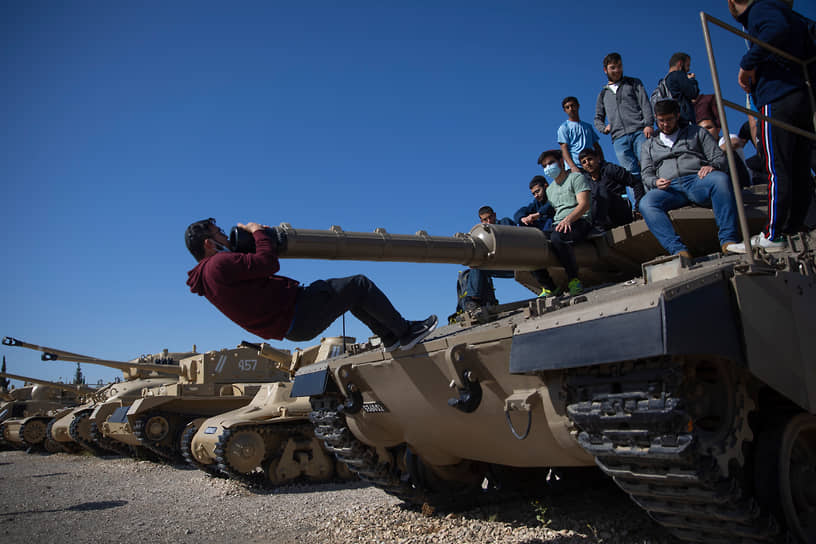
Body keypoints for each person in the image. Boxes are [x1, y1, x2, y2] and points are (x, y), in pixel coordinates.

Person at [184, 218, 437, 352]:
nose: (226, 237)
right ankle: (405, 332)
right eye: (219, 234)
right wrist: (258, 231)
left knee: (349, 294)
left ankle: (389, 336)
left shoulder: (206, 277)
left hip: (292, 321)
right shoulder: (218, 264)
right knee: (359, 284)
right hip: (297, 312)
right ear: (208, 243)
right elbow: (267, 263)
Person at [725, 0, 814, 253]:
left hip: (776, 96)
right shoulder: (790, 13)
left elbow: (775, 28)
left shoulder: (761, 10)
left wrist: (747, 64)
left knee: (777, 168)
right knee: (798, 169)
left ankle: (773, 234)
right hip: (800, 96)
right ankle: (791, 229)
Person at [639, 100, 740, 258]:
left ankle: (728, 241)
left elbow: (719, 158)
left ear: (677, 115)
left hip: (697, 181)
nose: (665, 124)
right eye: (661, 120)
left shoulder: (697, 132)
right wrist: (655, 182)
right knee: (646, 203)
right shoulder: (648, 146)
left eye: (669, 119)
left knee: (720, 180)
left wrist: (712, 166)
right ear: (655, 118)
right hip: (669, 189)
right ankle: (678, 251)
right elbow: (646, 173)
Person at [537, 149, 593, 296]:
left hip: (580, 221)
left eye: (551, 163)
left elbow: (584, 205)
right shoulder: (550, 190)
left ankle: (573, 279)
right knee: (531, 239)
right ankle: (548, 286)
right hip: (559, 224)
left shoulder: (576, 178)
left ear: (561, 162)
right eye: (544, 166)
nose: (548, 168)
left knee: (557, 237)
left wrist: (568, 219)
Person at [594, 52, 655, 182]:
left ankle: (655, 197)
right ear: (606, 70)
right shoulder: (603, 94)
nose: (617, 70)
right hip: (619, 138)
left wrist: (649, 124)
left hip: (639, 132)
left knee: (648, 166)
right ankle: (638, 202)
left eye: (620, 66)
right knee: (630, 174)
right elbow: (597, 118)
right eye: (613, 67)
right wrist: (603, 128)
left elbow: (645, 104)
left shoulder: (633, 83)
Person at [460, 206, 516, 310]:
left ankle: (473, 299)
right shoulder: (482, 235)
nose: (489, 221)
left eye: (490, 217)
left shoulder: (504, 222)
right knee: (477, 267)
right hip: (499, 266)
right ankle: (475, 301)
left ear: (495, 215)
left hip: (516, 264)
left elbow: (512, 237)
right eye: (485, 220)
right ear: (481, 221)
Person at [578, 147, 645, 229]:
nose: (587, 163)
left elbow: (636, 183)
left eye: (590, 159)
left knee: (602, 191)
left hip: (620, 207)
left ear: (597, 158)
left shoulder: (610, 169)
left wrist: (639, 208)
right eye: (584, 162)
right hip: (602, 218)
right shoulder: (585, 180)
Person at [697, 117, 752, 187]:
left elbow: (735, 142)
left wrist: (714, 157)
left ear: (718, 130)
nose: (706, 131)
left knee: (729, 151)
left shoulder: (725, 139)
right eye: (702, 130)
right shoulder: (700, 150)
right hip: (718, 182)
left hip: (740, 180)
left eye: (709, 128)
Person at [557, 96, 604, 173]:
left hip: (590, 165)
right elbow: (564, 149)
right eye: (567, 107)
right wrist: (572, 167)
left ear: (578, 106)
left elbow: (596, 146)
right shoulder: (564, 127)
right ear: (565, 110)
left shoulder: (587, 127)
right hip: (575, 168)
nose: (571, 109)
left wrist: (602, 162)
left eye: (572, 105)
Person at [664, 52, 700, 125]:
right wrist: (692, 80)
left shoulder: (664, 81)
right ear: (680, 63)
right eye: (687, 65)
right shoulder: (678, 74)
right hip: (684, 119)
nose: (688, 69)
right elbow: (693, 93)